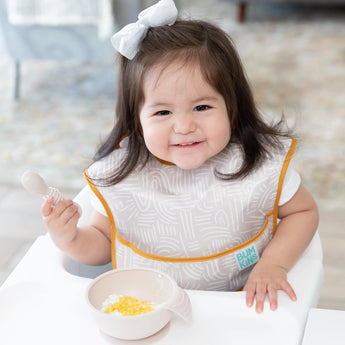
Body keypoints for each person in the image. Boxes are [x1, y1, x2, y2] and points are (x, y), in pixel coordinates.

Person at [41, 0, 318, 313]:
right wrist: (69, 238)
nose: (185, 126)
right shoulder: (125, 177)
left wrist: (274, 265)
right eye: (162, 111)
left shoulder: (257, 163)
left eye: (202, 107)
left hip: (238, 306)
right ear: (137, 119)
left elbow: (303, 212)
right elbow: (103, 246)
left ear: (232, 105)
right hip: (150, 312)